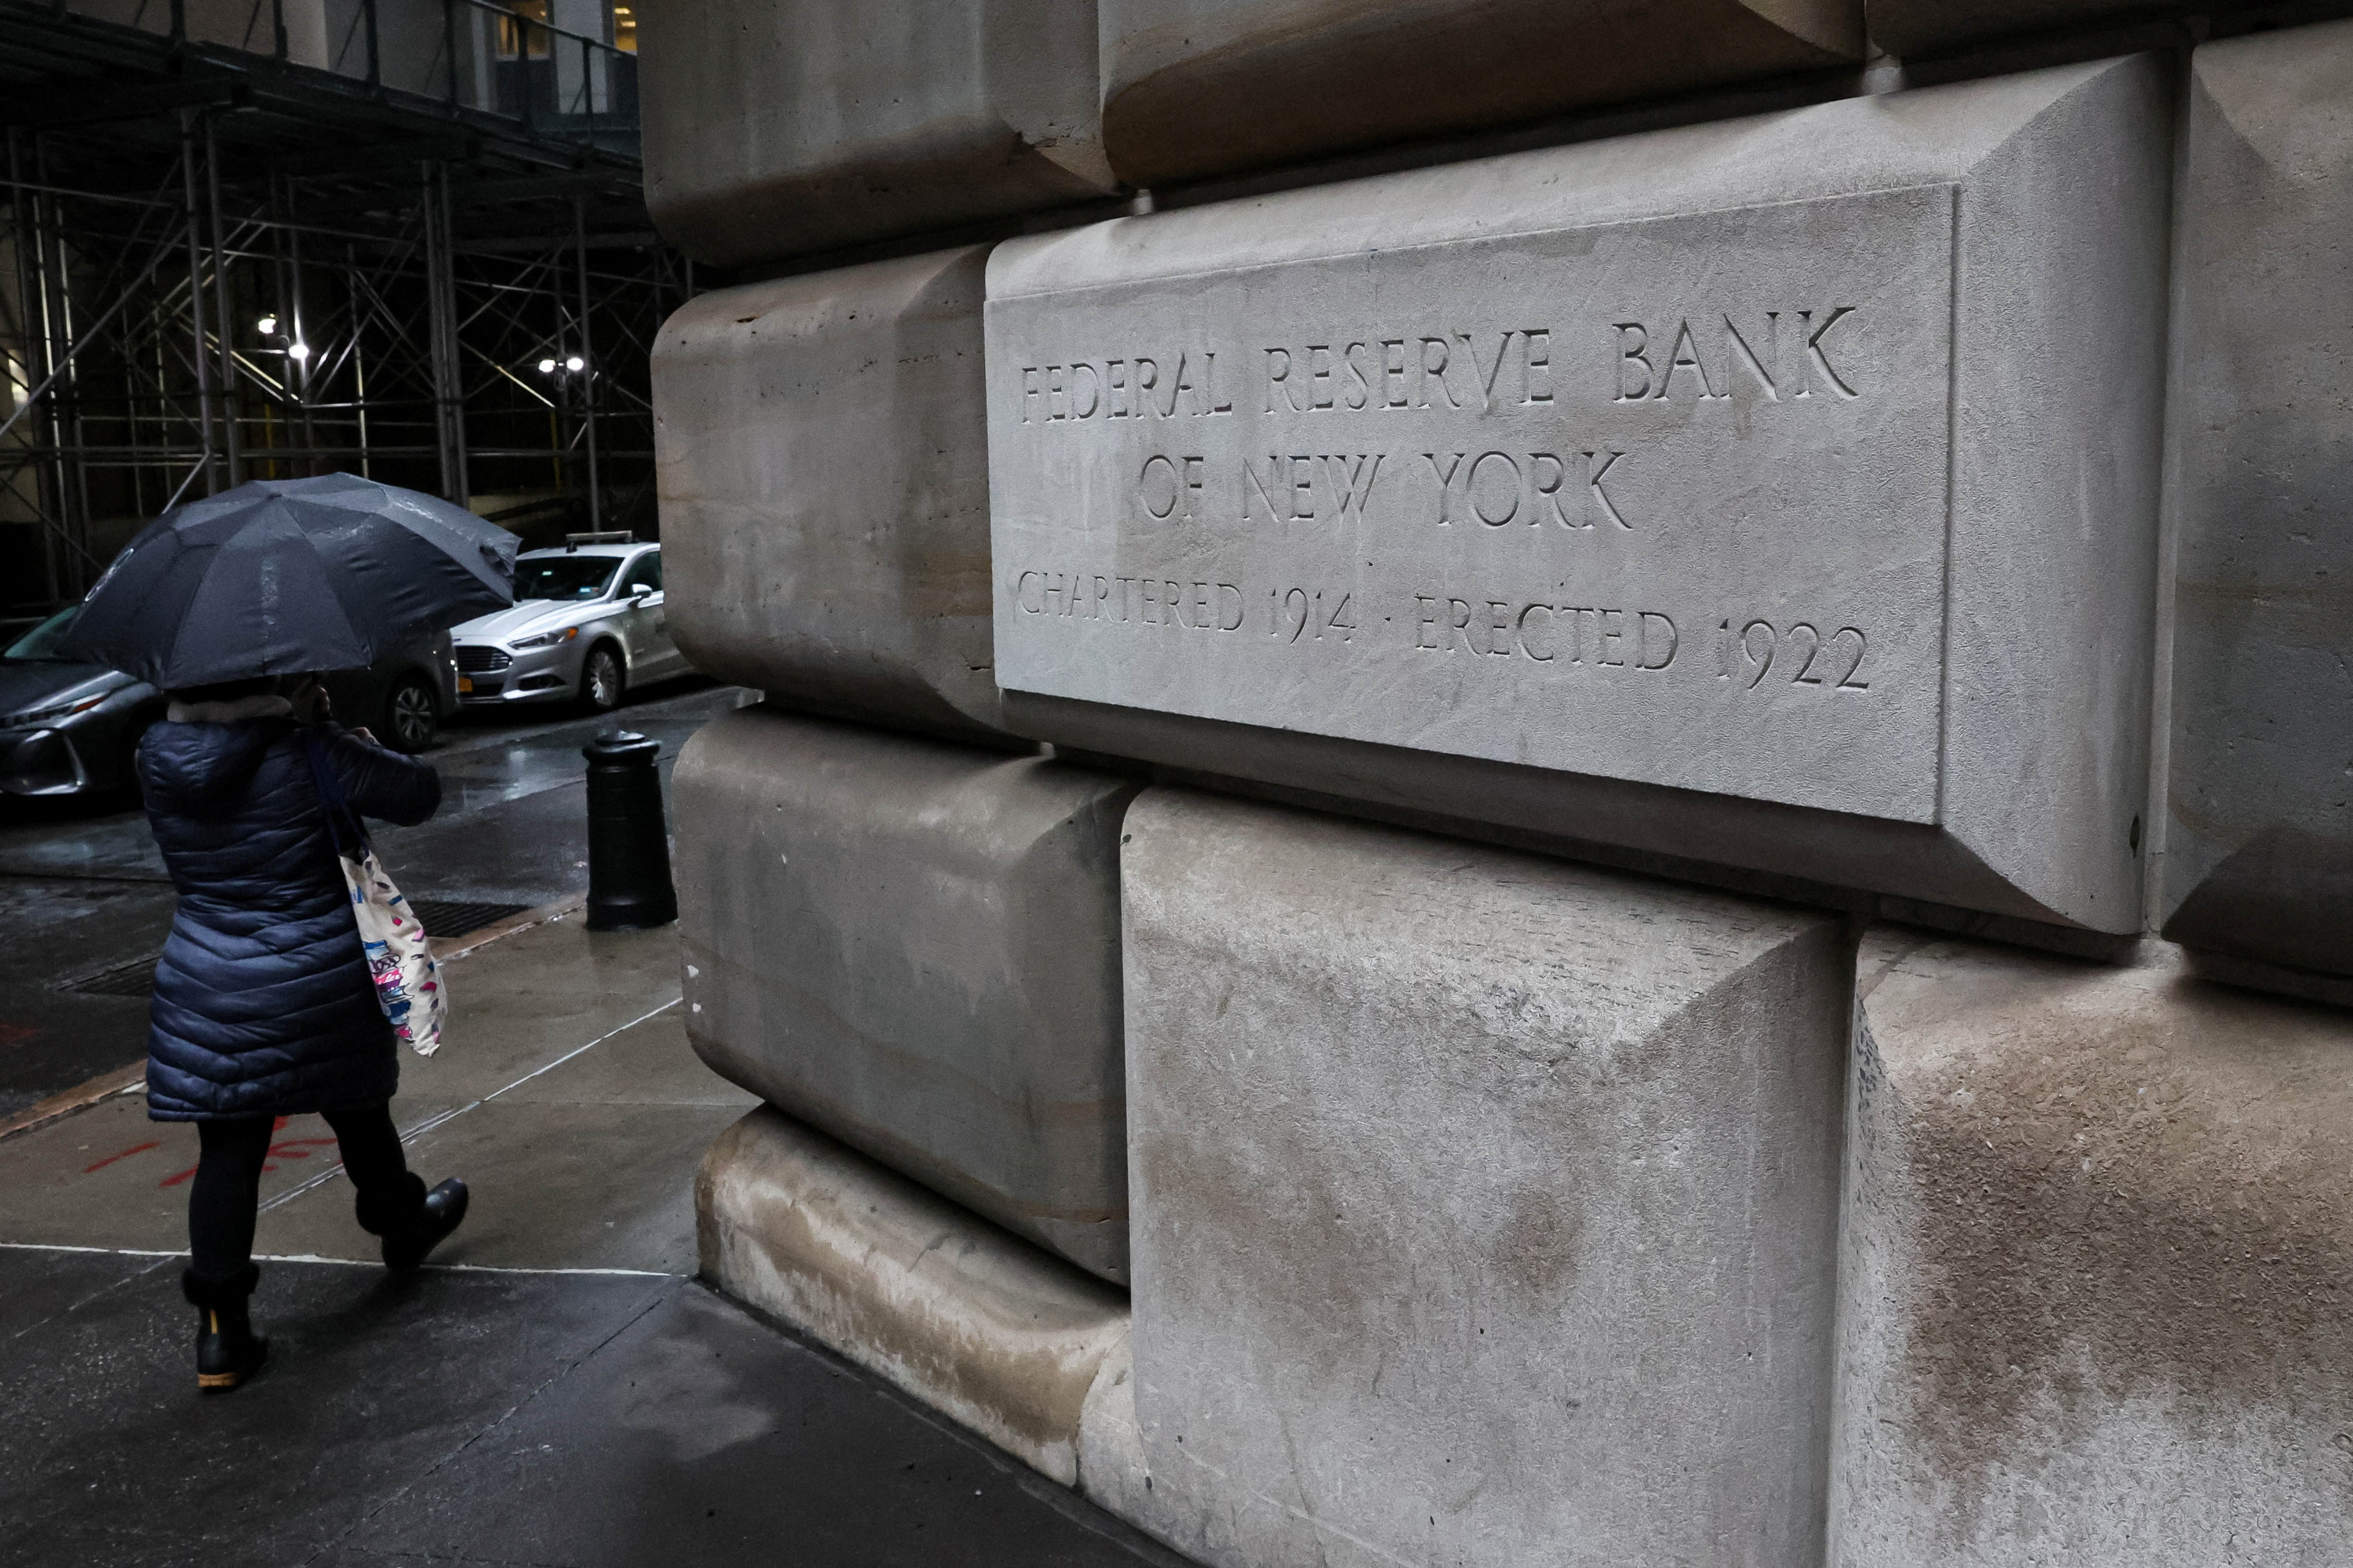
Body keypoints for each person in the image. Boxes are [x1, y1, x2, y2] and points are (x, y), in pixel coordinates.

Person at [139, 672, 467, 1393]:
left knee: (228, 1144)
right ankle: (401, 1224)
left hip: (209, 979)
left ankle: (221, 1335)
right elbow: (421, 793)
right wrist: (339, 737)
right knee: (357, 1105)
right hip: (319, 975)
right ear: (271, 675)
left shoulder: (158, 756)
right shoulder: (312, 751)